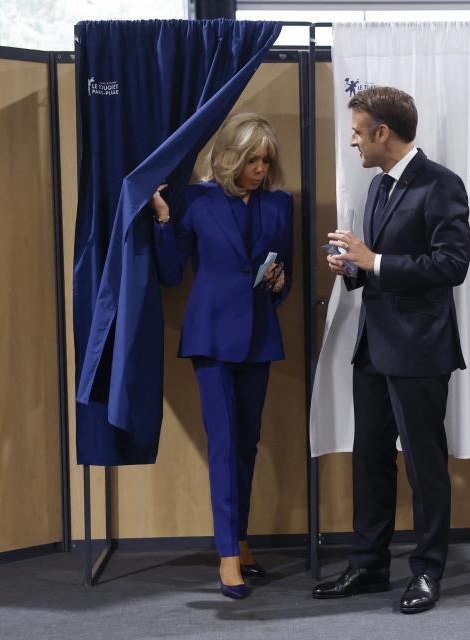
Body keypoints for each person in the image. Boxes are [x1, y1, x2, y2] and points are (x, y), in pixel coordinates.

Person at [312, 86, 470, 614]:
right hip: (373, 347)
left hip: (421, 350)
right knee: (371, 461)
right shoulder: (378, 187)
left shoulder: (442, 184)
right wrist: (353, 268)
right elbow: (378, 263)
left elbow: (452, 266)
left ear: (383, 132)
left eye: (358, 132)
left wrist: (373, 260)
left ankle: (427, 572)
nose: (353, 142)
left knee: (425, 467)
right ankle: (369, 565)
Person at [149, 113, 293, 600]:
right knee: (225, 444)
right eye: (251, 159)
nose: (259, 168)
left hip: (258, 336)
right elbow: (171, 272)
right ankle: (226, 555)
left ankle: (242, 540)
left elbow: (283, 276)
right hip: (211, 338)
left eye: (266, 160)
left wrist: (279, 283)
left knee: (248, 442)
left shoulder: (279, 204)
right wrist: (165, 218)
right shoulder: (198, 199)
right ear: (231, 156)